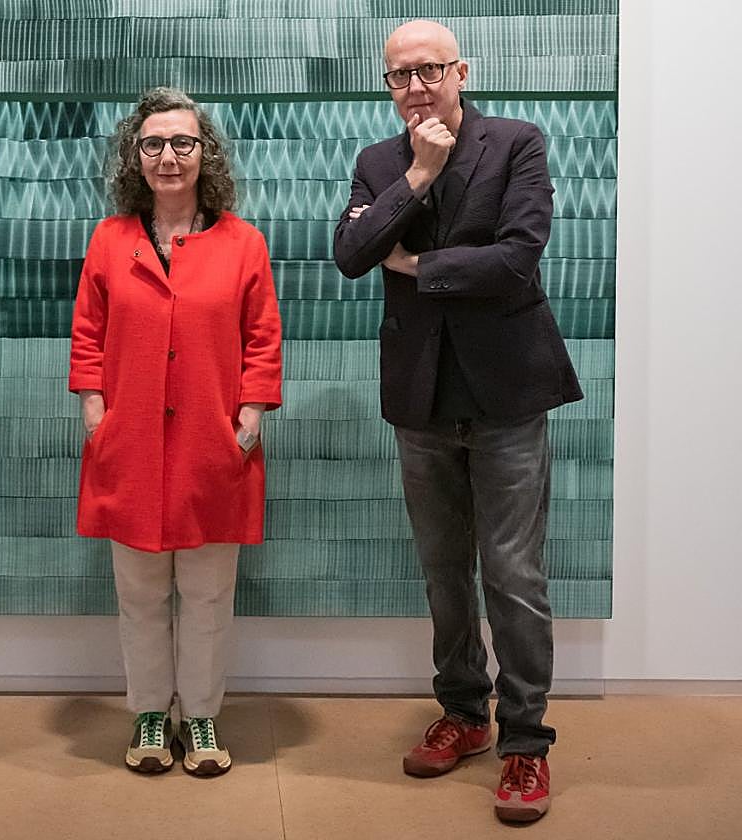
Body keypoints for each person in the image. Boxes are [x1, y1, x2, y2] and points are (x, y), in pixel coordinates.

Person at [333, 20, 583, 823]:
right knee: (444, 571)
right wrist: (422, 173)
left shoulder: (517, 144)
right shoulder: (381, 162)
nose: (414, 87)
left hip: (508, 395)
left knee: (514, 577)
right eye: (399, 76)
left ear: (461, 72)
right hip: (421, 398)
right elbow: (350, 252)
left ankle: (525, 745)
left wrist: (418, 264)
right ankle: (465, 714)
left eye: (429, 70)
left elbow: (518, 256)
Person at [69, 87, 282, 777]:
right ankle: (150, 715)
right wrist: (95, 413)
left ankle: (204, 715)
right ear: (136, 155)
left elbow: (263, 339)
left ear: (205, 153)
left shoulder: (243, 242)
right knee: (138, 591)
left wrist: (248, 418)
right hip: (127, 445)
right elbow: (88, 335)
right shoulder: (110, 240)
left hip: (212, 445)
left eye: (183, 143)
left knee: (209, 592)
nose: (169, 156)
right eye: (154, 143)